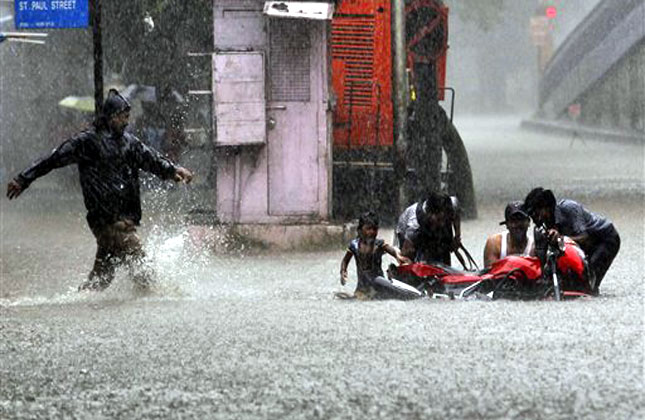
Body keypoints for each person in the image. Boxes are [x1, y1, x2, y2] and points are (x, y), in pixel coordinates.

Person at [6, 89, 194, 291]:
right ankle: (156, 307)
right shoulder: (86, 142)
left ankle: (77, 305)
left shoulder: (129, 142)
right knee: (145, 277)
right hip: (107, 222)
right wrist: (23, 179)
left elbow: (151, 159)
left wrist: (172, 170)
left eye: (128, 117)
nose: (127, 122)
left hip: (124, 220)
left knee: (100, 280)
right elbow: (52, 160)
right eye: (124, 117)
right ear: (112, 117)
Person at [522, 187, 620, 294]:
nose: (534, 219)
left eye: (535, 213)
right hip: (582, 243)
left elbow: (584, 237)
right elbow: (541, 258)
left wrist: (561, 239)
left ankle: (591, 293)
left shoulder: (569, 208)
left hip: (604, 238)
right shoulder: (541, 227)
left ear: (547, 208)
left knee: (588, 278)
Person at [340, 211, 412, 299]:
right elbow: (345, 260)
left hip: (379, 287)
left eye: (374, 229)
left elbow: (391, 250)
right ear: (360, 230)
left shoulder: (379, 244)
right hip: (361, 289)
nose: (372, 232)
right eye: (368, 229)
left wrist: (398, 256)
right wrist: (343, 271)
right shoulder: (354, 246)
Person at [395, 191, 461, 265]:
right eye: (439, 219)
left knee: (444, 260)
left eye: (446, 219)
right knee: (415, 262)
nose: (442, 224)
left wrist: (457, 237)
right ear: (429, 213)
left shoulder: (451, 205)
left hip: (430, 226)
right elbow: (404, 255)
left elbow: (456, 214)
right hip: (409, 233)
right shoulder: (414, 227)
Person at [483, 201, 533, 267]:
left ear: (528, 222)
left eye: (521, 220)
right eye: (513, 221)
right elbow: (490, 274)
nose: (518, 225)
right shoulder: (494, 244)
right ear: (507, 224)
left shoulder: (534, 247)